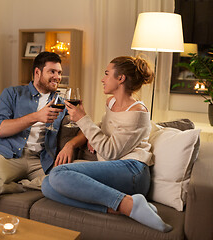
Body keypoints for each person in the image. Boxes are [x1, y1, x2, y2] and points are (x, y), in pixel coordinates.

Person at [41, 56, 173, 232]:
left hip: (133, 171)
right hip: (114, 168)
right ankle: (122, 208)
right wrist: (90, 136)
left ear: (121, 78)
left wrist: (82, 119)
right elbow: (105, 129)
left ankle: (129, 205)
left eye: (107, 74)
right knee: (48, 185)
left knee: (58, 173)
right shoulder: (111, 102)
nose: (103, 79)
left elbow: (111, 152)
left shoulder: (138, 112)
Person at [0, 51, 86, 208]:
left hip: (40, 161)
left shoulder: (61, 102)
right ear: (37, 72)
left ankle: (17, 186)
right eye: (52, 71)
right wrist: (36, 117)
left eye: (59, 72)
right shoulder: (12, 94)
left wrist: (70, 145)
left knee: (71, 182)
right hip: (6, 155)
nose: (57, 77)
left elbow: (85, 127)